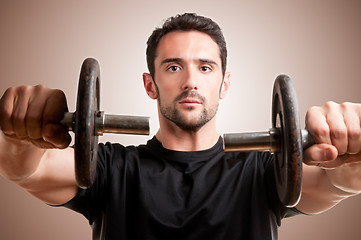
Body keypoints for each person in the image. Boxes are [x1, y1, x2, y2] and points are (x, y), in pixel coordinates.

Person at [0, 13, 361, 240]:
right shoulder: (111, 168)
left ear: (225, 83)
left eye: (205, 67)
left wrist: (353, 157)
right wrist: (22, 132)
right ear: (150, 84)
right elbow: (28, 168)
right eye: (174, 67)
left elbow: (336, 182)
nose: (191, 81)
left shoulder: (264, 172)